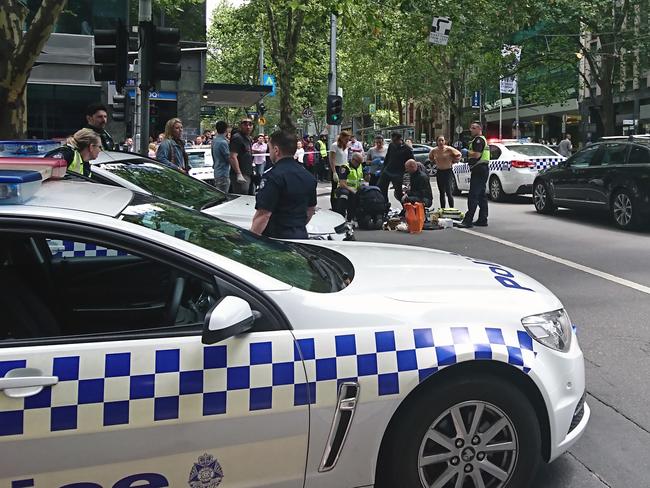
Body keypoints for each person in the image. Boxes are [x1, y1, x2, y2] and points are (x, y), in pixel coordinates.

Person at [250, 130, 317, 239]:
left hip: (276, 240)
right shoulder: (308, 176)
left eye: (270, 148)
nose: (270, 152)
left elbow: (263, 215)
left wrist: (251, 240)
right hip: (300, 237)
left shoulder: (272, 176)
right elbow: (310, 209)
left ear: (276, 150)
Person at [458, 122, 489, 228]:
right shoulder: (481, 139)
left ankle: (468, 220)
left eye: (473, 128)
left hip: (479, 170)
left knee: (473, 195)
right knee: (481, 195)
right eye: (471, 128)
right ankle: (482, 219)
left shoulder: (478, 140)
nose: (471, 130)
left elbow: (477, 155)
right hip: (482, 169)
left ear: (479, 129)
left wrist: (467, 153)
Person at [378, 132, 414, 205]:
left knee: (398, 193)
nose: (393, 142)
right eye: (392, 140)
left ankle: (405, 207)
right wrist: (383, 169)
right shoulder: (391, 145)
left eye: (395, 141)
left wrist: (407, 172)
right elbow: (387, 157)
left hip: (398, 173)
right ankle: (385, 205)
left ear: (400, 140)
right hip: (387, 171)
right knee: (381, 188)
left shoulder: (407, 149)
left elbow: (411, 161)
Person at [429, 135, 462, 208]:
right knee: (441, 193)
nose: (441, 142)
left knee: (449, 192)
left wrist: (454, 161)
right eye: (439, 140)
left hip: (448, 172)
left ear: (444, 141)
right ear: (437, 142)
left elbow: (459, 154)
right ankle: (443, 209)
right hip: (440, 172)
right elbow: (430, 157)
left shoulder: (449, 149)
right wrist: (435, 161)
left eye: (442, 140)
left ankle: (451, 209)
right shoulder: (434, 150)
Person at [336, 152, 365, 222]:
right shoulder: (345, 167)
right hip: (344, 189)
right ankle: (341, 217)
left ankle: (353, 218)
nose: (359, 165)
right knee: (344, 195)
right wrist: (352, 190)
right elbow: (342, 183)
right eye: (358, 162)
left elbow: (361, 180)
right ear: (353, 160)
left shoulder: (359, 167)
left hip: (356, 189)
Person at [229, 118, 254, 195]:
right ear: (241, 126)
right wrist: (239, 173)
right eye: (245, 124)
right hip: (241, 174)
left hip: (248, 173)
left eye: (250, 124)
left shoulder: (248, 138)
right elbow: (233, 156)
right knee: (242, 197)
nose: (248, 127)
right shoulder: (237, 137)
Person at [329, 131, 351, 209]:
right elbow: (332, 160)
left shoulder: (346, 146)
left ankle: (342, 205)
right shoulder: (334, 146)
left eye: (348, 139)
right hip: (337, 168)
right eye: (346, 139)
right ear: (341, 138)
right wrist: (334, 172)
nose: (347, 141)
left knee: (344, 187)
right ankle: (334, 206)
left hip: (344, 168)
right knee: (335, 188)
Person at [211, 120, 231, 193]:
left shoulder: (214, 141)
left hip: (217, 171)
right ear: (226, 129)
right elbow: (228, 158)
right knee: (223, 194)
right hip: (223, 173)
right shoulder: (223, 142)